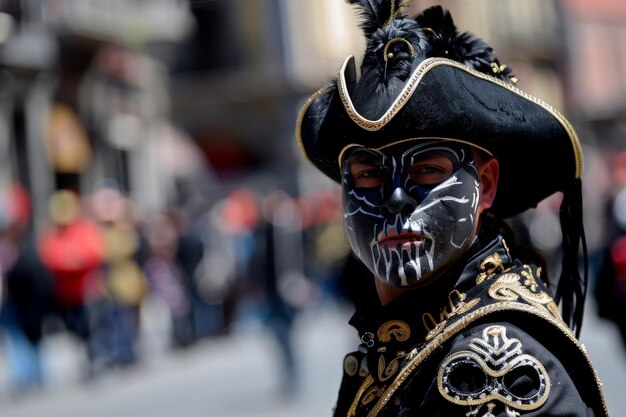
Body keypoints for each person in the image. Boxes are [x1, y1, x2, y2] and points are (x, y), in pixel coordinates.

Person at [295, 2, 608, 416]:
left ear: (488, 185)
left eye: (427, 170)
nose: (395, 199)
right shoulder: (414, 333)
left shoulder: (492, 367)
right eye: (369, 174)